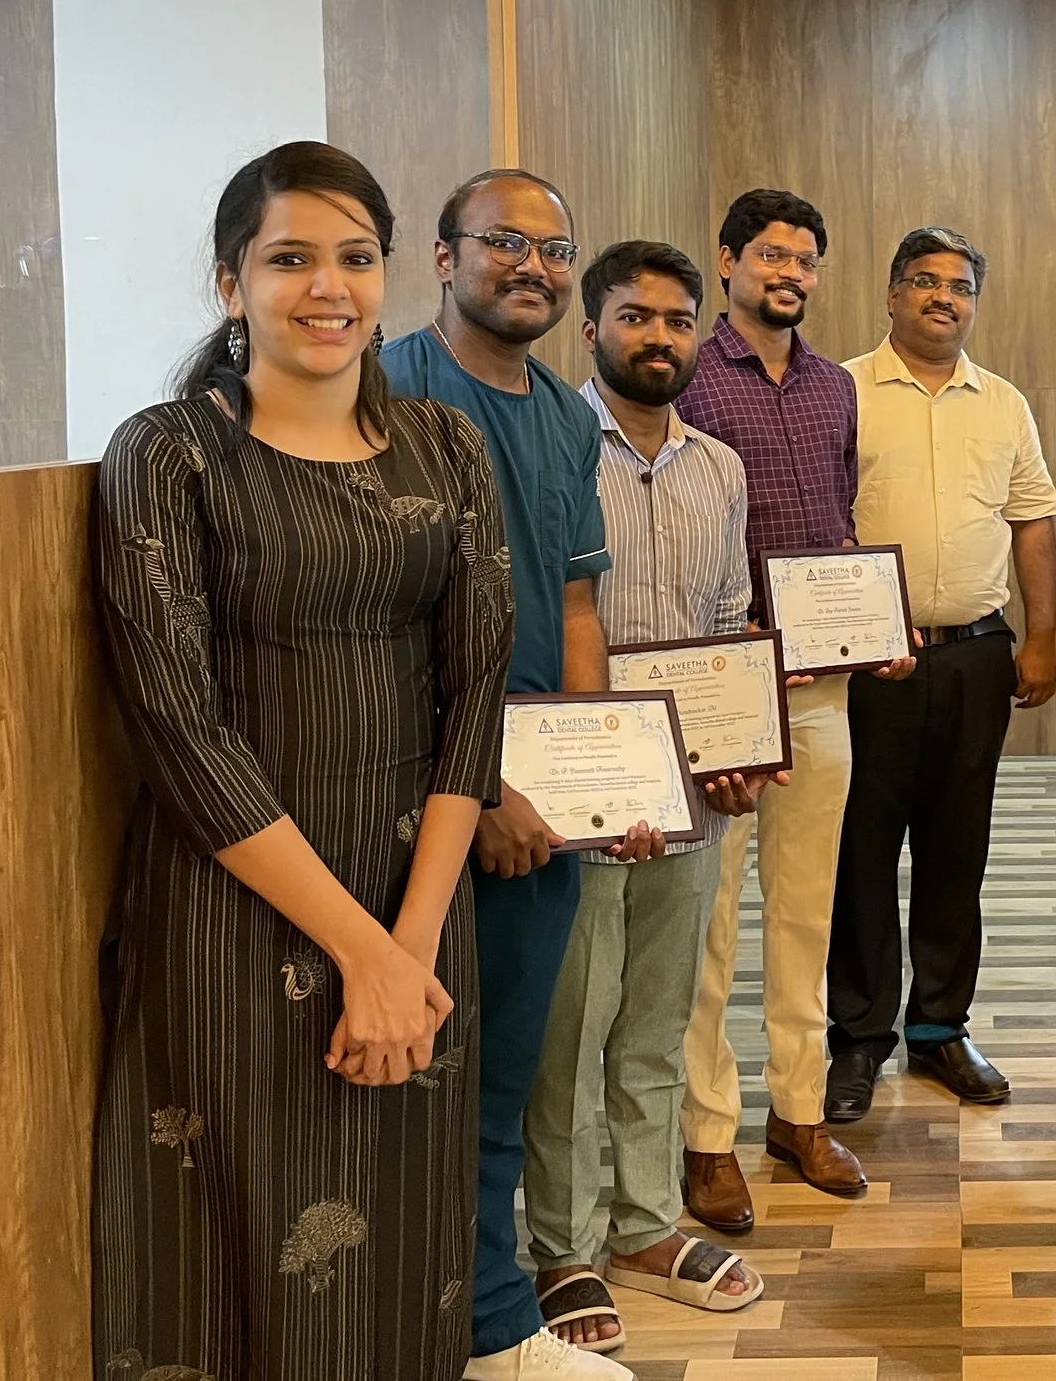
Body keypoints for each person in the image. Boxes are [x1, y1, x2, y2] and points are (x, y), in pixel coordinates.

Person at [90, 143, 512, 1380]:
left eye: (354, 257)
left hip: (418, 898)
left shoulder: (445, 446)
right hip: (234, 906)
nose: (327, 287)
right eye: (289, 259)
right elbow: (178, 727)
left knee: (409, 1245)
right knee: (241, 1250)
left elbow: (473, 697)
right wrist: (360, 953)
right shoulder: (166, 453)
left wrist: (409, 948)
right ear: (231, 283)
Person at [380, 169, 644, 1381]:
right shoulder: (385, 392)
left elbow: (576, 601)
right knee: (403, 1072)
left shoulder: (562, 417)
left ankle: (491, 1324)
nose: (532, 267)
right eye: (504, 243)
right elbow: (380, 625)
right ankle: (405, 1322)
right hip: (417, 796)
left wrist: (600, 783)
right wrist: (480, 785)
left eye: (554, 249)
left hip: (540, 806)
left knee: (502, 1074)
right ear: (444, 258)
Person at [520, 242, 774, 1357]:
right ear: (592, 329)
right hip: (576, 795)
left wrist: (737, 753)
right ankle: (563, 1242)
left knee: (662, 1021)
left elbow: (722, 629)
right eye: (635, 317)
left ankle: (644, 1223)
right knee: (571, 1026)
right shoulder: (552, 452)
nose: (658, 337)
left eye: (676, 320)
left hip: (690, 805)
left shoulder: (721, 466)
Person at [676, 187, 908, 1225]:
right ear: (728, 261)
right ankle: (706, 1134)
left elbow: (837, 520)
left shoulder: (833, 386)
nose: (790, 273)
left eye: (806, 260)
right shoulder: (687, 374)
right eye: (772, 254)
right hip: (724, 684)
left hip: (822, 687)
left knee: (807, 906)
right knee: (710, 922)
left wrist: (872, 622)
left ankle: (799, 1112)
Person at [825, 228, 1056, 1122]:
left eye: (960, 286)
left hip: (974, 655)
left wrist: (1041, 637)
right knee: (860, 849)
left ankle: (938, 1028)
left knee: (958, 847)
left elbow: (1032, 519)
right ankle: (859, 1036)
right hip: (869, 661)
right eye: (924, 281)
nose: (943, 297)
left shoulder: (1003, 402)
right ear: (891, 294)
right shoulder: (841, 389)